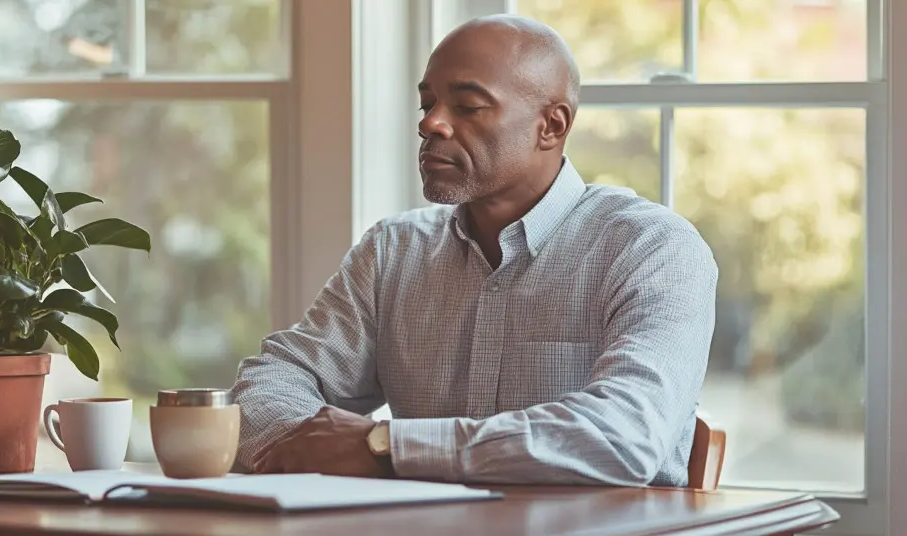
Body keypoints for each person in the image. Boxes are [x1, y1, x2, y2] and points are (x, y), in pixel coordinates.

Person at [230, 14, 718, 487]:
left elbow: (624, 435)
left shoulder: (651, 250)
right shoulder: (392, 252)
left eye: (467, 106)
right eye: (427, 105)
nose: (431, 125)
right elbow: (268, 384)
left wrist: (385, 445)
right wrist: (304, 443)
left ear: (551, 125)